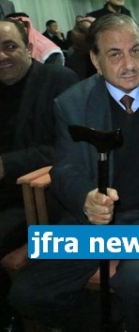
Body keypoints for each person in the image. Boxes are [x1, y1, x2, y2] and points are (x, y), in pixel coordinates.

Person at [9, 13, 139, 331]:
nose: (129, 64)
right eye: (115, 54)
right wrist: (85, 197)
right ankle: (115, 319)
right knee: (26, 293)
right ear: (95, 60)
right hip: (96, 226)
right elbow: (65, 168)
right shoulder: (71, 103)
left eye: (136, 50)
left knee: (136, 281)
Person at [0, 19, 78, 328]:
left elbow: (69, 146)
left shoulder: (58, 81)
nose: (2, 56)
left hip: (38, 195)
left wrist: (7, 164)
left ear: (29, 48)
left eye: (9, 47)